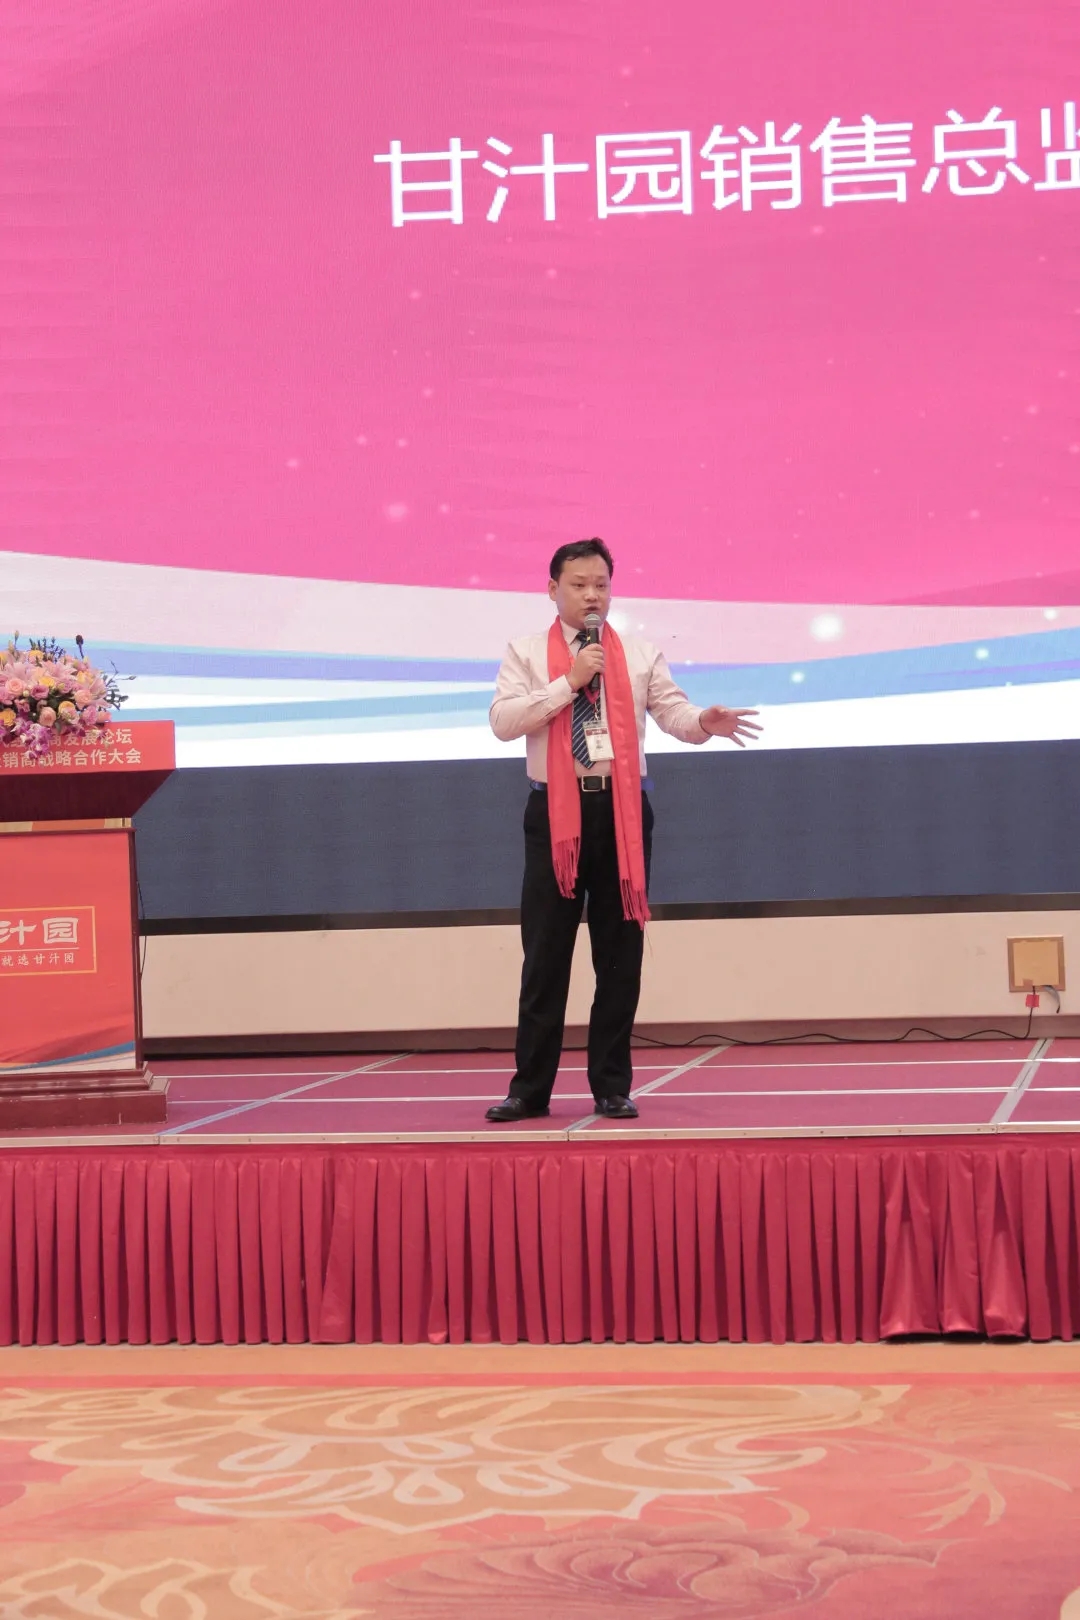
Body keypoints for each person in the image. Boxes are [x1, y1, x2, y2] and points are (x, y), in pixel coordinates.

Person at [485, 537, 761, 1123]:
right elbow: (504, 723)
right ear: (552, 589)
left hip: (622, 814)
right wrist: (569, 681)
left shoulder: (638, 654)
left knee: (618, 956)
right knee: (546, 957)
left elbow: (673, 713)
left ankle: (611, 1085)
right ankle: (529, 1090)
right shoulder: (525, 652)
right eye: (579, 584)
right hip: (554, 818)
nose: (592, 595)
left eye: (601, 585)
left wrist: (703, 722)